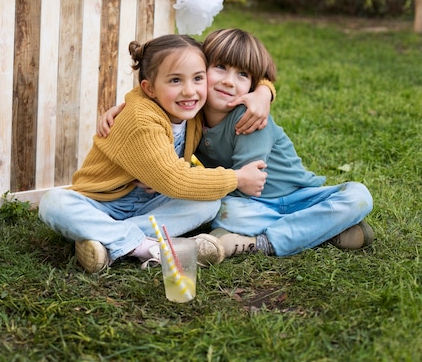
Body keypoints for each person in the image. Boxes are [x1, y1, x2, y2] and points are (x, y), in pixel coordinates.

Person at [103, 28, 374, 258]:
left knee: (358, 196)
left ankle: (261, 243)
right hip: (250, 208)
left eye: (242, 75)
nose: (228, 82)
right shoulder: (190, 113)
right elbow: (159, 84)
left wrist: (264, 93)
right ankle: (321, 232)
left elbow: (247, 183)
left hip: (298, 197)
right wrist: (126, 108)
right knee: (220, 211)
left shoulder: (250, 116)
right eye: (219, 67)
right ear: (200, 69)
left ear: (252, 86)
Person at [38, 34, 272, 273]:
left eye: (198, 78)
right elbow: (175, 180)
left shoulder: (193, 108)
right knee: (54, 203)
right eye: (175, 81)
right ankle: (143, 246)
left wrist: (265, 92)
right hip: (103, 202)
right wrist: (238, 178)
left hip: (151, 201)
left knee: (208, 203)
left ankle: (107, 239)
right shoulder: (141, 120)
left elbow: (257, 71)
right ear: (149, 89)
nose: (189, 91)